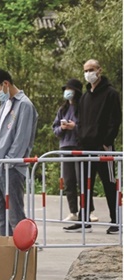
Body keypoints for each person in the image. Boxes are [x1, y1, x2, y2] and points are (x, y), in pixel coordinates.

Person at [0, 69, 38, 236]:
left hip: (10, 169)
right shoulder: (6, 103)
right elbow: (2, 134)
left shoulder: (24, 105)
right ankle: (7, 249)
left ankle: (22, 251)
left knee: (15, 216)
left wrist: (7, 164)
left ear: (6, 83)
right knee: (1, 217)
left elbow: (20, 141)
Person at [65, 59, 122, 234]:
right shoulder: (85, 97)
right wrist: (81, 139)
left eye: (91, 69)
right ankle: (84, 219)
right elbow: (81, 121)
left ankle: (116, 220)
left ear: (99, 70)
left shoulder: (111, 94)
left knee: (109, 184)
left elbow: (115, 120)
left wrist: (107, 141)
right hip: (86, 147)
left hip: (103, 148)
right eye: (86, 70)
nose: (88, 73)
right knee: (85, 185)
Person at [52, 79, 97, 223]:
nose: (67, 91)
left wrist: (74, 127)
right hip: (65, 147)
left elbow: (87, 128)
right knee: (69, 181)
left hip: (79, 147)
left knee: (82, 180)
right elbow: (55, 129)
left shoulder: (83, 108)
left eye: (70, 89)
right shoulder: (62, 110)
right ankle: (73, 211)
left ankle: (88, 211)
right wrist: (63, 128)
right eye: (66, 89)